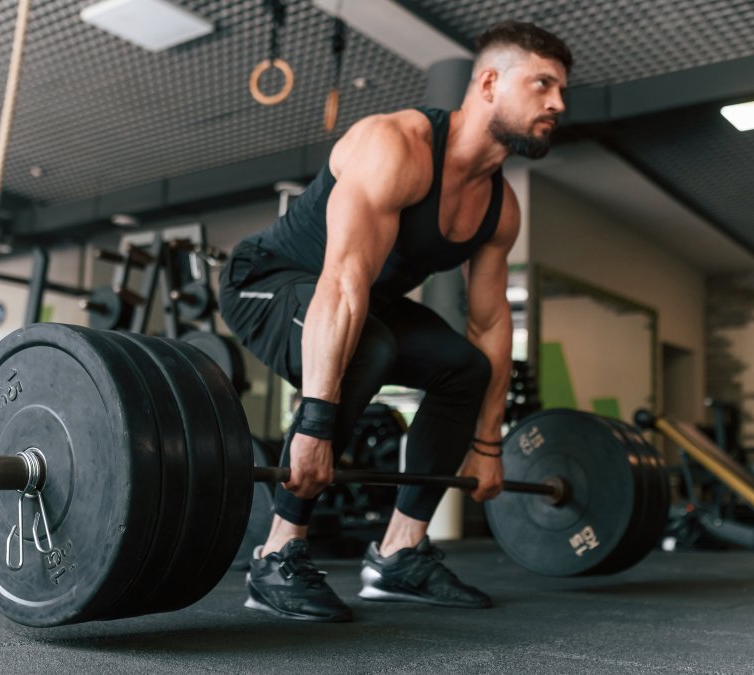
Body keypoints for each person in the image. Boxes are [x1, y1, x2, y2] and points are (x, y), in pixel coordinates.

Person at [218, 20, 570, 622]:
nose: (558, 103)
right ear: (488, 82)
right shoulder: (395, 146)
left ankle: (399, 554)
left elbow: (488, 328)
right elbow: (344, 281)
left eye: (562, 91)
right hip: (268, 282)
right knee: (369, 344)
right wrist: (315, 424)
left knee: (460, 367)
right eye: (543, 84)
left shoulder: (499, 207)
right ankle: (277, 554)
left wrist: (488, 446)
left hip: (361, 304)